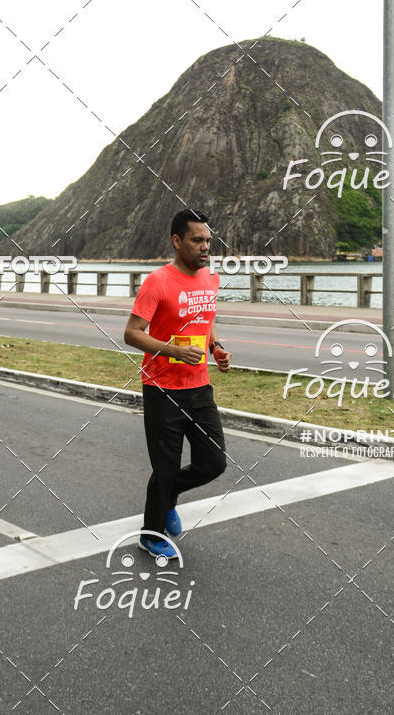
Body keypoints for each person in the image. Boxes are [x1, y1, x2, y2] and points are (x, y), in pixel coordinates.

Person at [124, 209, 232, 560]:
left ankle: (168, 496)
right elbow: (131, 334)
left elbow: (206, 318)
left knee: (214, 462)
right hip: (162, 388)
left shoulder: (210, 279)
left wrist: (215, 347)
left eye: (208, 241)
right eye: (197, 240)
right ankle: (150, 534)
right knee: (166, 468)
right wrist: (171, 350)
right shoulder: (158, 282)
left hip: (199, 386)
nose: (205, 248)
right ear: (177, 241)